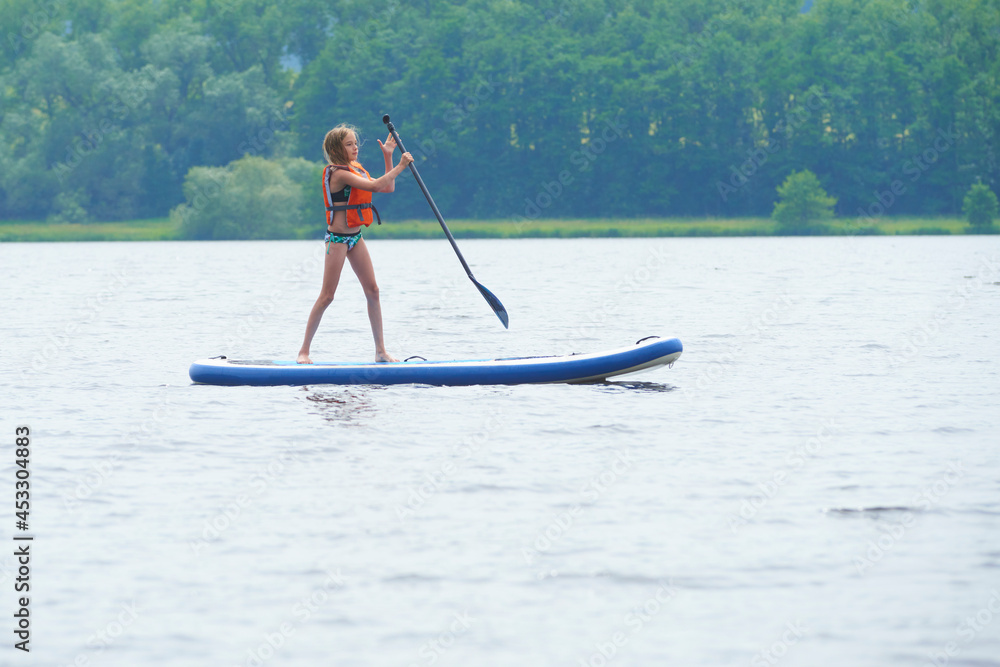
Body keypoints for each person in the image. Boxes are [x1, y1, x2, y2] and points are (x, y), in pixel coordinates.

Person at [296, 124, 413, 364]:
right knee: (327, 296)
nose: (355, 147)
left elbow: (387, 187)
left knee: (373, 291)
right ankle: (304, 351)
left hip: (356, 237)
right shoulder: (338, 174)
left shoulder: (356, 169)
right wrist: (402, 166)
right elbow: (374, 186)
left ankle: (381, 351)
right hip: (337, 240)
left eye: (355, 143)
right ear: (337, 149)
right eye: (349, 144)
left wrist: (388, 156)